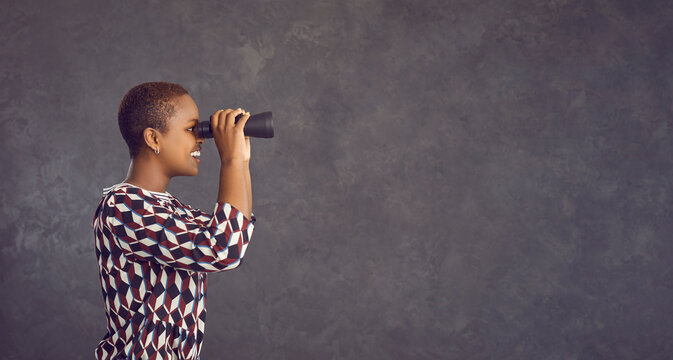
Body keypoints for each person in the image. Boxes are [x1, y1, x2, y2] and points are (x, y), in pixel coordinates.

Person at [92, 82, 256, 360]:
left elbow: (233, 234)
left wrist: (242, 162)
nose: (201, 138)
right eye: (192, 129)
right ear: (153, 139)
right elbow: (222, 250)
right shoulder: (121, 206)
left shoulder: (171, 210)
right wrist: (231, 160)